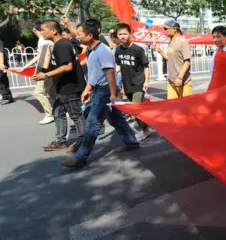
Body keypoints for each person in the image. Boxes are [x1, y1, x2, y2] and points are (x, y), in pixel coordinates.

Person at [60, 20, 139, 168]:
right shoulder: (92, 49)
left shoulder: (103, 51)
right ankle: (132, 142)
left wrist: (113, 93)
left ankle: (80, 157)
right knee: (116, 119)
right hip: (99, 89)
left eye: (80, 34)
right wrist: (88, 89)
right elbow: (96, 74)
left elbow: (110, 73)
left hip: (104, 91)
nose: (78, 37)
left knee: (92, 124)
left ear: (89, 35)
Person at [34, 20, 86, 151]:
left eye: (43, 29)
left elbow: (67, 66)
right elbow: (55, 65)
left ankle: (84, 142)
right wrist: (42, 70)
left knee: (76, 115)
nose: (41, 32)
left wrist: (46, 76)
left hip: (70, 87)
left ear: (54, 31)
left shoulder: (62, 45)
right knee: (58, 113)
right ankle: (60, 141)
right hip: (62, 87)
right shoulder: (55, 45)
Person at [114, 23, 152, 139]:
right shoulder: (118, 50)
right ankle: (147, 126)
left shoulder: (138, 50)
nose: (122, 36)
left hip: (138, 83)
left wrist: (146, 81)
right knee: (136, 108)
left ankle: (143, 130)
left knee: (135, 109)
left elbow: (146, 66)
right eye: (120, 34)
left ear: (130, 34)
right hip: (127, 84)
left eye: (125, 34)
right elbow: (120, 66)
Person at [19, 23, 55, 123]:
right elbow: (39, 56)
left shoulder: (44, 41)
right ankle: (60, 110)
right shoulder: (44, 40)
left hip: (46, 71)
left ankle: (49, 114)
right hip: (49, 70)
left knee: (39, 92)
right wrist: (25, 66)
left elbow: (45, 56)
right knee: (51, 92)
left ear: (35, 30)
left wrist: (42, 71)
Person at [153, 19, 191, 99]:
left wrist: (180, 77)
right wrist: (160, 51)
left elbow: (187, 62)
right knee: (172, 107)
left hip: (183, 82)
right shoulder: (170, 41)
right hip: (171, 81)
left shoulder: (183, 41)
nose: (164, 31)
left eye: (166, 29)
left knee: (185, 108)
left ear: (174, 29)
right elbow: (169, 58)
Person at [0, 37, 14, 105]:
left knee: (2, 81)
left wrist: (1, 64)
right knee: (2, 81)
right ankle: (7, 97)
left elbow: (1, 53)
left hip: (1, 65)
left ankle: (7, 97)